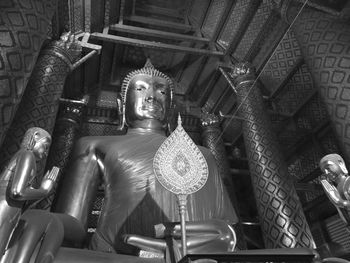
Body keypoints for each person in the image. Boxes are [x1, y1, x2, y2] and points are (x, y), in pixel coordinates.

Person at [3, 60, 238, 262]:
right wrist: (50, 220)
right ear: (120, 106)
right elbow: (75, 224)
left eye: (161, 91)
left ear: (171, 109)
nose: (152, 96)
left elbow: (226, 228)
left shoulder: (203, 154)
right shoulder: (94, 145)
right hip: (116, 255)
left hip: (199, 254)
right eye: (140, 88)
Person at [0, 127, 58, 257]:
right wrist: (44, 191)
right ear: (36, 136)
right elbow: (17, 192)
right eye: (46, 146)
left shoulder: (22, 155)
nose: (46, 153)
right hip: (4, 208)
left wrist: (35, 193)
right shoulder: (27, 155)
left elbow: (21, 198)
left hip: (10, 210)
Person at [319, 153, 350, 225]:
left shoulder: (348, 181)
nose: (326, 172)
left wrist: (340, 202)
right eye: (324, 171)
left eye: (328, 167)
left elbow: (342, 203)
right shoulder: (336, 188)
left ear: (340, 163)